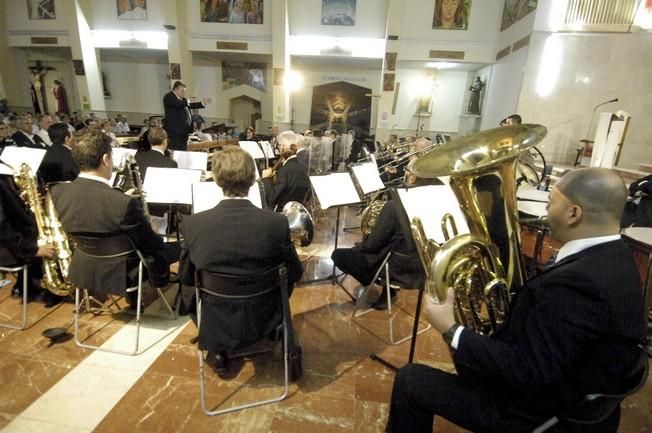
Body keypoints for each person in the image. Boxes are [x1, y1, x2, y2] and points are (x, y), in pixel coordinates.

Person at [386, 167, 646, 433]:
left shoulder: (579, 284)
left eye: (550, 203)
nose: (546, 211)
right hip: (576, 396)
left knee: (411, 381)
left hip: (546, 415)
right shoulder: (617, 258)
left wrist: (451, 329)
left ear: (573, 213)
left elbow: (528, 372)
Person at [179, 146, 303, 371]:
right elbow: (295, 272)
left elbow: (186, 276)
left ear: (216, 179)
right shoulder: (276, 222)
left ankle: (217, 343)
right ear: (254, 178)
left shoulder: (193, 224)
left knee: (190, 286)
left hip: (217, 309)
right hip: (265, 311)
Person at [50, 130, 179, 302]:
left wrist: (120, 196)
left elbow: (90, 207)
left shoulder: (57, 191)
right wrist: (151, 227)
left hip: (84, 266)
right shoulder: (122, 203)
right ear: (105, 159)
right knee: (186, 245)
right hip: (121, 273)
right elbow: (152, 244)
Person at [331, 174, 441, 310]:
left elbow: (371, 245)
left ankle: (379, 282)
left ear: (412, 177)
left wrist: (363, 242)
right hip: (424, 270)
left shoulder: (394, 207)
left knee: (337, 255)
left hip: (395, 270)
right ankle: (388, 289)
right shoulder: (439, 206)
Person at [0, 170, 60, 307]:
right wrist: (33, 250)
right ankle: (52, 288)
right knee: (51, 236)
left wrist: (19, 200)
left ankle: (23, 285)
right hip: (9, 250)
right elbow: (3, 230)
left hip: (13, 241)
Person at [261, 130, 312, 210]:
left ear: (283, 147)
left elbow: (272, 197)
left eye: (279, 145)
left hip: (283, 212)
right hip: (298, 208)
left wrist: (266, 179)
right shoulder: (302, 166)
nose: (278, 147)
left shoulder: (285, 170)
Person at [163, 81, 211, 151]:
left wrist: (202, 103)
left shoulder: (183, 100)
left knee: (182, 151)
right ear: (176, 89)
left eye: (184, 91)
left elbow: (191, 105)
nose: (184, 93)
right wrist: (187, 101)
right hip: (174, 132)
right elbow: (177, 104)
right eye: (182, 91)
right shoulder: (169, 96)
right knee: (175, 151)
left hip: (184, 132)